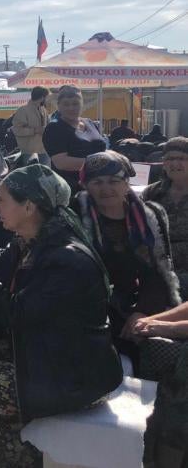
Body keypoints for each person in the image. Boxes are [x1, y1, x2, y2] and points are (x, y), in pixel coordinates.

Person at [0, 164, 122, 467]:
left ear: (29, 206)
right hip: (48, 352)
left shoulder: (65, 257)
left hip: (72, 375)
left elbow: (15, 312)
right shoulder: (32, 240)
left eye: (2, 200)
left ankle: (13, 457)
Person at [76, 151, 181, 364]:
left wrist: (142, 312)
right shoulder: (75, 215)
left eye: (114, 181)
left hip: (137, 302)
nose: (106, 189)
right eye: (97, 182)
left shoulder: (149, 216)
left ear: (126, 183)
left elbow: (157, 271)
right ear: (86, 185)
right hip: (88, 307)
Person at [43, 85, 107, 191]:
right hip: (72, 189)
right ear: (58, 106)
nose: (71, 108)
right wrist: (101, 163)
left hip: (100, 185)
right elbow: (62, 163)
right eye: (66, 104)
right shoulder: (54, 128)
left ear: (82, 104)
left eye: (75, 103)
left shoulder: (90, 123)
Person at [144, 138, 188, 291]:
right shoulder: (152, 193)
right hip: (159, 269)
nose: (175, 164)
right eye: (170, 158)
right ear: (163, 163)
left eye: (181, 158)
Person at [11, 86, 50, 165]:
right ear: (42, 97)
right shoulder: (23, 110)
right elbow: (17, 130)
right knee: (32, 175)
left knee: (46, 175)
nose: (47, 100)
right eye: (46, 97)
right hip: (29, 151)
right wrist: (35, 130)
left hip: (44, 149)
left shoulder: (43, 110)